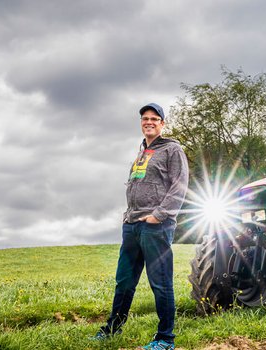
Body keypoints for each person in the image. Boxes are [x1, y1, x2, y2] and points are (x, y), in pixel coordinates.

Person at [93, 103, 188, 350]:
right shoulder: (141, 153)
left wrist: (159, 214)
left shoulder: (171, 149)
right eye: (145, 118)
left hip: (156, 226)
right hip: (132, 225)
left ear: (162, 123)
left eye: (154, 119)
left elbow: (179, 186)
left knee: (160, 283)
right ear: (141, 123)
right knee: (124, 281)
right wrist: (128, 216)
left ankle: (166, 339)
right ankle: (112, 329)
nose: (149, 122)